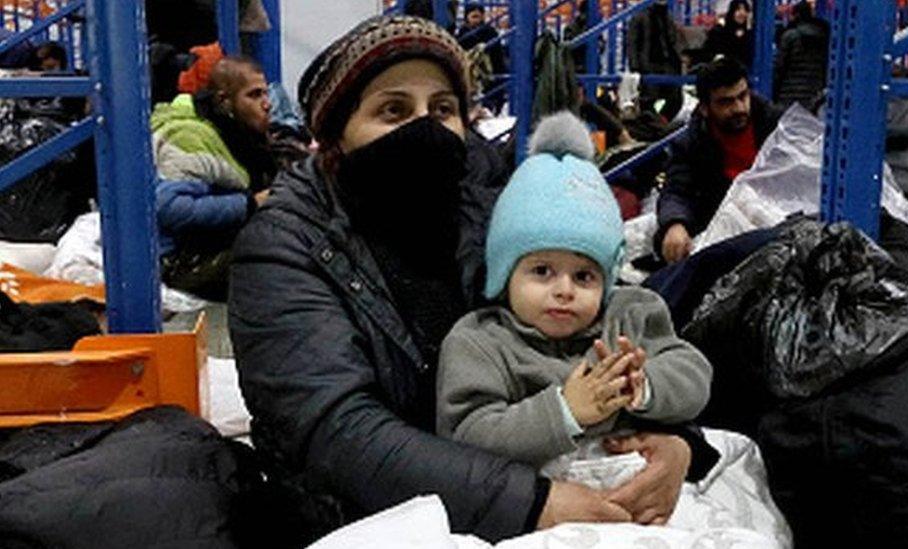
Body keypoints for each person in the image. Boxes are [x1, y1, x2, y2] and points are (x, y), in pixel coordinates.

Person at [229, 15, 716, 546]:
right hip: (364, 510)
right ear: (336, 138)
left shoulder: (494, 210)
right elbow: (336, 430)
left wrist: (674, 443)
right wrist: (529, 503)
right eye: (393, 110)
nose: (425, 128)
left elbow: (600, 327)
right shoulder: (284, 247)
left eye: (443, 110)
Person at [437, 114, 714, 523]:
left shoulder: (631, 314)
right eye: (542, 271)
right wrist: (566, 410)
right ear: (503, 274)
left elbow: (693, 373)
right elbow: (467, 435)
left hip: (639, 496)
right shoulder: (481, 341)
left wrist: (647, 386)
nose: (565, 290)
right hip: (541, 509)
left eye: (584, 275)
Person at [151, 55, 276, 301]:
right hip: (177, 263)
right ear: (224, 101)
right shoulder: (191, 137)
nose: (267, 104)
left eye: (265, 94)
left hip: (203, 248)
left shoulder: (234, 135)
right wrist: (250, 204)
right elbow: (168, 208)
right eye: (254, 95)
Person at [655, 57, 782, 264]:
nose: (739, 108)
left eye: (743, 96)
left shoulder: (777, 127)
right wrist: (675, 224)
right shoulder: (691, 143)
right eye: (726, 102)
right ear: (705, 108)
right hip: (722, 236)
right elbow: (677, 191)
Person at [626, 0, 684, 121]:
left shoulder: (667, 16)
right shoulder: (640, 16)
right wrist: (635, 68)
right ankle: (654, 126)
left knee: (675, 99)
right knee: (648, 101)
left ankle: (659, 124)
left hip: (667, 66)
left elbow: (673, 41)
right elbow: (633, 43)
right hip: (649, 66)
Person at [773, 0, 829, 107]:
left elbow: (779, 68)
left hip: (789, 95)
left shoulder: (789, 36)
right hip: (813, 95)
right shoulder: (823, 36)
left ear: (795, 15)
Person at [703, 0, 754, 69]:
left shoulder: (750, 32)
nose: (742, 13)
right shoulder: (720, 31)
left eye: (745, 10)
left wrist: (748, 30)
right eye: (738, 9)